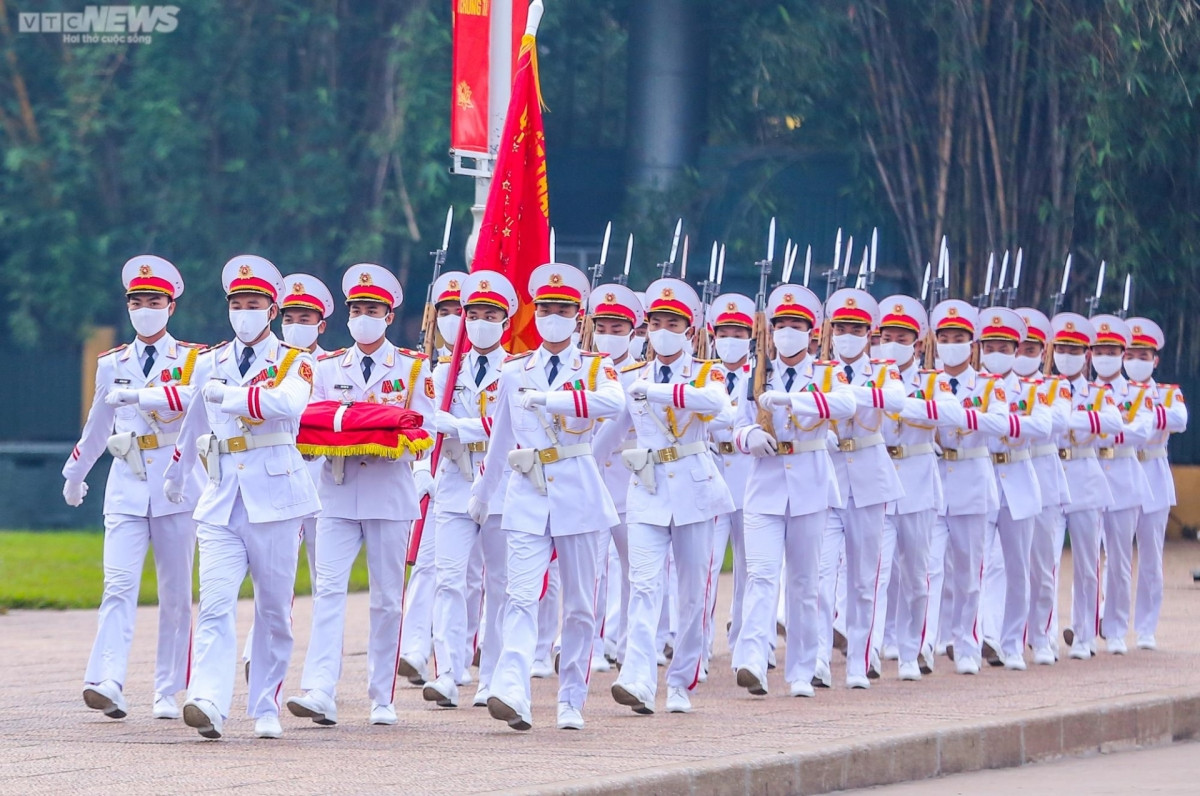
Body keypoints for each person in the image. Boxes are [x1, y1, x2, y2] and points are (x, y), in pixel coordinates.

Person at [165, 254, 320, 740]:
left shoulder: (296, 360)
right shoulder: (209, 361)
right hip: (221, 497)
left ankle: (265, 703)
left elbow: (287, 404)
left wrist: (230, 397)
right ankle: (207, 699)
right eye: (237, 303)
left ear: (272, 311)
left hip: (276, 497)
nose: (244, 312)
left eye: (254, 304)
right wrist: (177, 471)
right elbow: (193, 421)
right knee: (213, 603)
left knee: (273, 609)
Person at [468, 263, 624, 732]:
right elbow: (501, 438)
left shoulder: (598, 366)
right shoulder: (516, 370)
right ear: (535, 314)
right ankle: (512, 690)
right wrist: (484, 490)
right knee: (519, 596)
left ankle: (571, 698)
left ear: (578, 316)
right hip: (527, 491)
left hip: (577, 488)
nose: (553, 316)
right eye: (546, 309)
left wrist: (552, 401)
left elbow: (612, 405)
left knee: (578, 604)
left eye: (563, 309)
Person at [286, 263, 435, 727]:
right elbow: (315, 418)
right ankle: (320, 689)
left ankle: (380, 695)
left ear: (388, 317)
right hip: (338, 488)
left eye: (373, 309)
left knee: (387, 599)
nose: (363, 317)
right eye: (357, 309)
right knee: (327, 591)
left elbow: (425, 425)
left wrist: (378, 429)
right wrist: (363, 424)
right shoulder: (328, 366)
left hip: (390, 491)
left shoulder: (412, 367)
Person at [64, 255, 203, 722]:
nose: (145, 308)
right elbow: (97, 425)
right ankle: (108, 679)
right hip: (126, 481)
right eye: (137, 301)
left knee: (176, 594)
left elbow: (192, 400)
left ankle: (168, 688)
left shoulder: (192, 359)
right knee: (118, 584)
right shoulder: (113, 362)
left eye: (154, 300)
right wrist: (75, 472)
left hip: (176, 484)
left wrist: (143, 397)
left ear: (171, 307)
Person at [609, 278, 734, 715]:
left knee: (692, 593)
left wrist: (660, 392)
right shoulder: (631, 377)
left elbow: (719, 405)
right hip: (646, 489)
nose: (664, 330)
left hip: (696, 490)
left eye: (673, 322)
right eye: (657, 322)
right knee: (643, 585)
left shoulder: (706, 370)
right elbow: (609, 436)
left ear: (690, 329)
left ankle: (682, 680)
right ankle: (637, 677)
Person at [730, 285, 857, 697]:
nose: (787, 332)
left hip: (809, 484)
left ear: (811, 332)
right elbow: (737, 421)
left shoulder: (827, 372)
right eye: (780, 324)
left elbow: (845, 406)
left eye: (795, 325)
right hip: (765, 485)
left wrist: (790, 399)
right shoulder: (756, 371)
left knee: (804, 584)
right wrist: (748, 436)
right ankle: (751, 658)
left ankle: (802, 669)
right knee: (761, 576)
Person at [423, 271, 519, 709]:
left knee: (498, 584)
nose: (480, 322)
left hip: (499, 485)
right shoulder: (446, 370)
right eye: (473, 315)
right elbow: (427, 423)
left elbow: (509, 428)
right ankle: (447, 671)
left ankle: (492, 676)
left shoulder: (517, 370)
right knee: (449, 578)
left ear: (505, 320)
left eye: (489, 315)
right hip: (456, 480)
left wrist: (459, 425)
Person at [241, 272, 335, 676]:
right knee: (276, 575)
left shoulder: (333, 366)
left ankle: (319, 673)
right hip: (280, 478)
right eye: (290, 316)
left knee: (324, 580)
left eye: (305, 316)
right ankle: (254, 650)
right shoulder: (272, 365)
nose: (296, 324)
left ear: (321, 323)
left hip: (327, 480)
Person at [818, 288, 906, 689]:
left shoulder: (884, 370)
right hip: (829, 479)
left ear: (869, 334)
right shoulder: (818, 369)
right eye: (841, 328)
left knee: (864, 578)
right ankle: (818, 658)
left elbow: (896, 400)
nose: (847, 335)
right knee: (820, 576)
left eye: (855, 328)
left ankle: (860, 660)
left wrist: (843, 397)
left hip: (870, 478)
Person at [873, 295, 964, 680]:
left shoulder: (933, 380)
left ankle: (913, 651)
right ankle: (870, 651)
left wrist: (897, 405)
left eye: (902, 335)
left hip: (918, 480)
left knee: (916, 575)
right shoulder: (869, 375)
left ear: (918, 340)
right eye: (887, 335)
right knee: (874, 575)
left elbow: (953, 413)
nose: (894, 342)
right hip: (878, 480)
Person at [926, 300, 1006, 675]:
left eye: (959, 338)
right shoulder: (927, 380)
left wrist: (961, 416)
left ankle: (967, 646)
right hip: (935, 479)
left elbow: (1001, 424)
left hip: (973, 480)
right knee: (927, 569)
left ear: (971, 344)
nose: (951, 344)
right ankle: (924, 644)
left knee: (969, 574)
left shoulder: (989, 383)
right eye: (945, 338)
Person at [398, 271, 470, 685]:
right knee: (429, 566)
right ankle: (413, 649)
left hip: (476, 476)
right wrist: (422, 469)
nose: (452, 318)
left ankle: (457, 655)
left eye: (459, 311)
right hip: (437, 475)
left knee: (471, 579)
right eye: (445, 310)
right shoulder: (422, 367)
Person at [976, 308, 1053, 670]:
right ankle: (987, 636)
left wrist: (1002, 423)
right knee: (983, 564)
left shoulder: (1031, 389)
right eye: (989, 346)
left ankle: (1013, 643)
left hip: (1019, 480)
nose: (996, 354)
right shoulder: (970, 387)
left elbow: (1042, 426)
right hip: (982, 477)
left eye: (1004, 347)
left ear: (1016, 349)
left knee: (1019, 567)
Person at [1048, 312, 1122, 660]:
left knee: (1087, 564)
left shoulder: (1098, 391)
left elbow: (1112, 423)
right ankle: (1044, 633)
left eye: (1074, 349)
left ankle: (1084, 634)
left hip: (1084, 473)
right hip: (1050, 472)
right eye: (1062, 348)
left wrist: (1067, 418)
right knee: (1045, 561)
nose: (1067, 355)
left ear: (1087, 355)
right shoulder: (1041, 388)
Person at [1089, 314, 1157, 654]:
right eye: (1098, 349)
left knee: (1118, 558)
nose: (1104, 356)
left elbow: (1142, 432)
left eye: (1111, 350)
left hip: (1123, 476)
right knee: (1087, 558)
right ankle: (1086, 624)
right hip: (1087, 473)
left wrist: (1096, 428)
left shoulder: (1137, 392)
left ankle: (1115, 627)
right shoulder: (1080, 390)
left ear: (1122, 352)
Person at [588, 283, 646, 671]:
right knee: (588, 568)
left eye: (616, 328)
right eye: (602, 326)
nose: (608, 335)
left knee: (632, 569)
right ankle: (589, 644)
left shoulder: (641, 375)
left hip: (627, 479)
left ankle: (626, 644)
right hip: (588, 481)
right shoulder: (581, 368)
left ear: (632, 332)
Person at [1013, 308, 1074, 665]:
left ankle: (1042, 634)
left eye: (1031, 350)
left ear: (1043, 351)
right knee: (1005, 564)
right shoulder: (993, 384)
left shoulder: (1055, 386)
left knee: (1043, 564)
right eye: (1018, 349)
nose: (1023, 357)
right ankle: (1009, 635)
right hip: (1012, 473)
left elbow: (1058, 421)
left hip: (1044, 472)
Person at [1124, 318, 1188, 649]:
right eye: (1130, 355)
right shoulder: (1109, 392)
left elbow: (1180, 419)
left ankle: (1147, 627)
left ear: (1155, 360)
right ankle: (1110, 623)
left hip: (1152, 471)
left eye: (1143, 356)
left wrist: (1144, 417)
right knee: (1113, 555)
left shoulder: (1167, 392)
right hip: (1119, 471)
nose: (1136, 362)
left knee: (1151, 555)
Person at [702, 293, 757, 675]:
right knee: (705, 565)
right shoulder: (704, 373)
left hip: (752, 473)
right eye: (725, 331)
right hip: (714, 469)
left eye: (739, 331)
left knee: (750, 568)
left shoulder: (761, 373)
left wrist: (727, 417)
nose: (731, 337)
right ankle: (700, 646)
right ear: (713, 333)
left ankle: (746, 644)